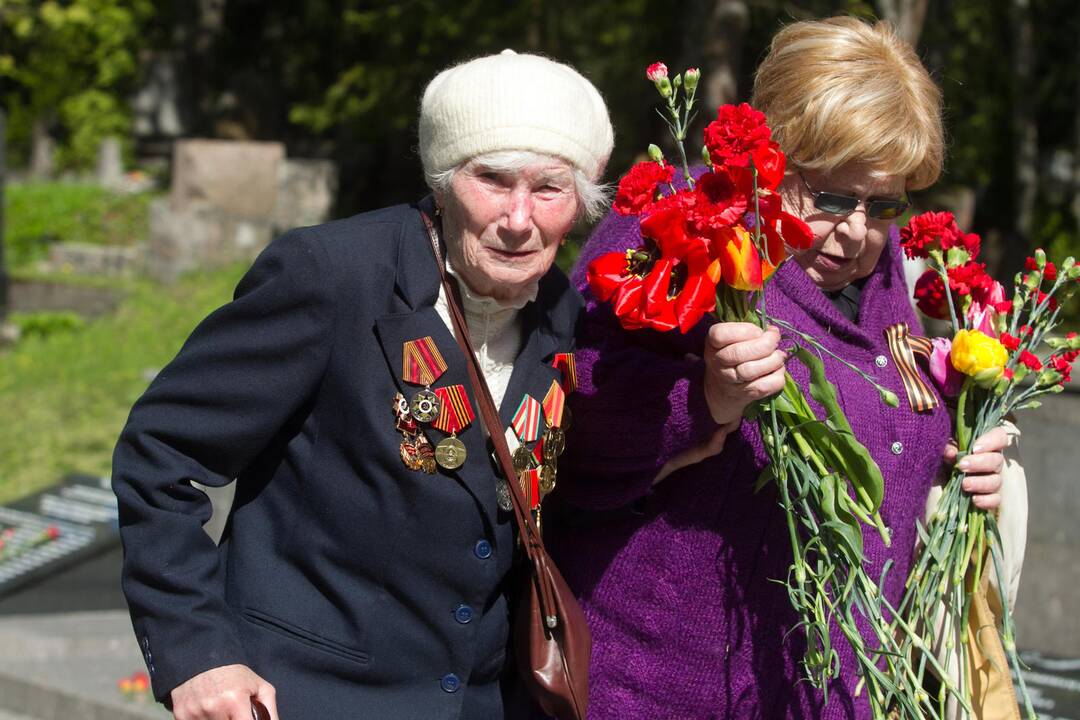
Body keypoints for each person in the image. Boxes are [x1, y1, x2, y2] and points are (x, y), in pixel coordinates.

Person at [112, 49, 613, 720]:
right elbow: (159, 455)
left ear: (580, 203)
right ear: (443, 179)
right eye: (492, 179)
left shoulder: (564, 315)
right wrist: (197, 653)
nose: (518, 218)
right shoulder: (333, 274)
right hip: (304, 696)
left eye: (549, 188)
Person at [547, 17, 1025, 719]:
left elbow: (890, 413)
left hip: (830, 692)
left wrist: (963, 456)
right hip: (660, 688)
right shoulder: (684, 220)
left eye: (883, 204)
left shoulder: (884, 272)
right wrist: (703, 399)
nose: (857, 229)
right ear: (774, 158)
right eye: (829, 196)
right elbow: (571, 426)